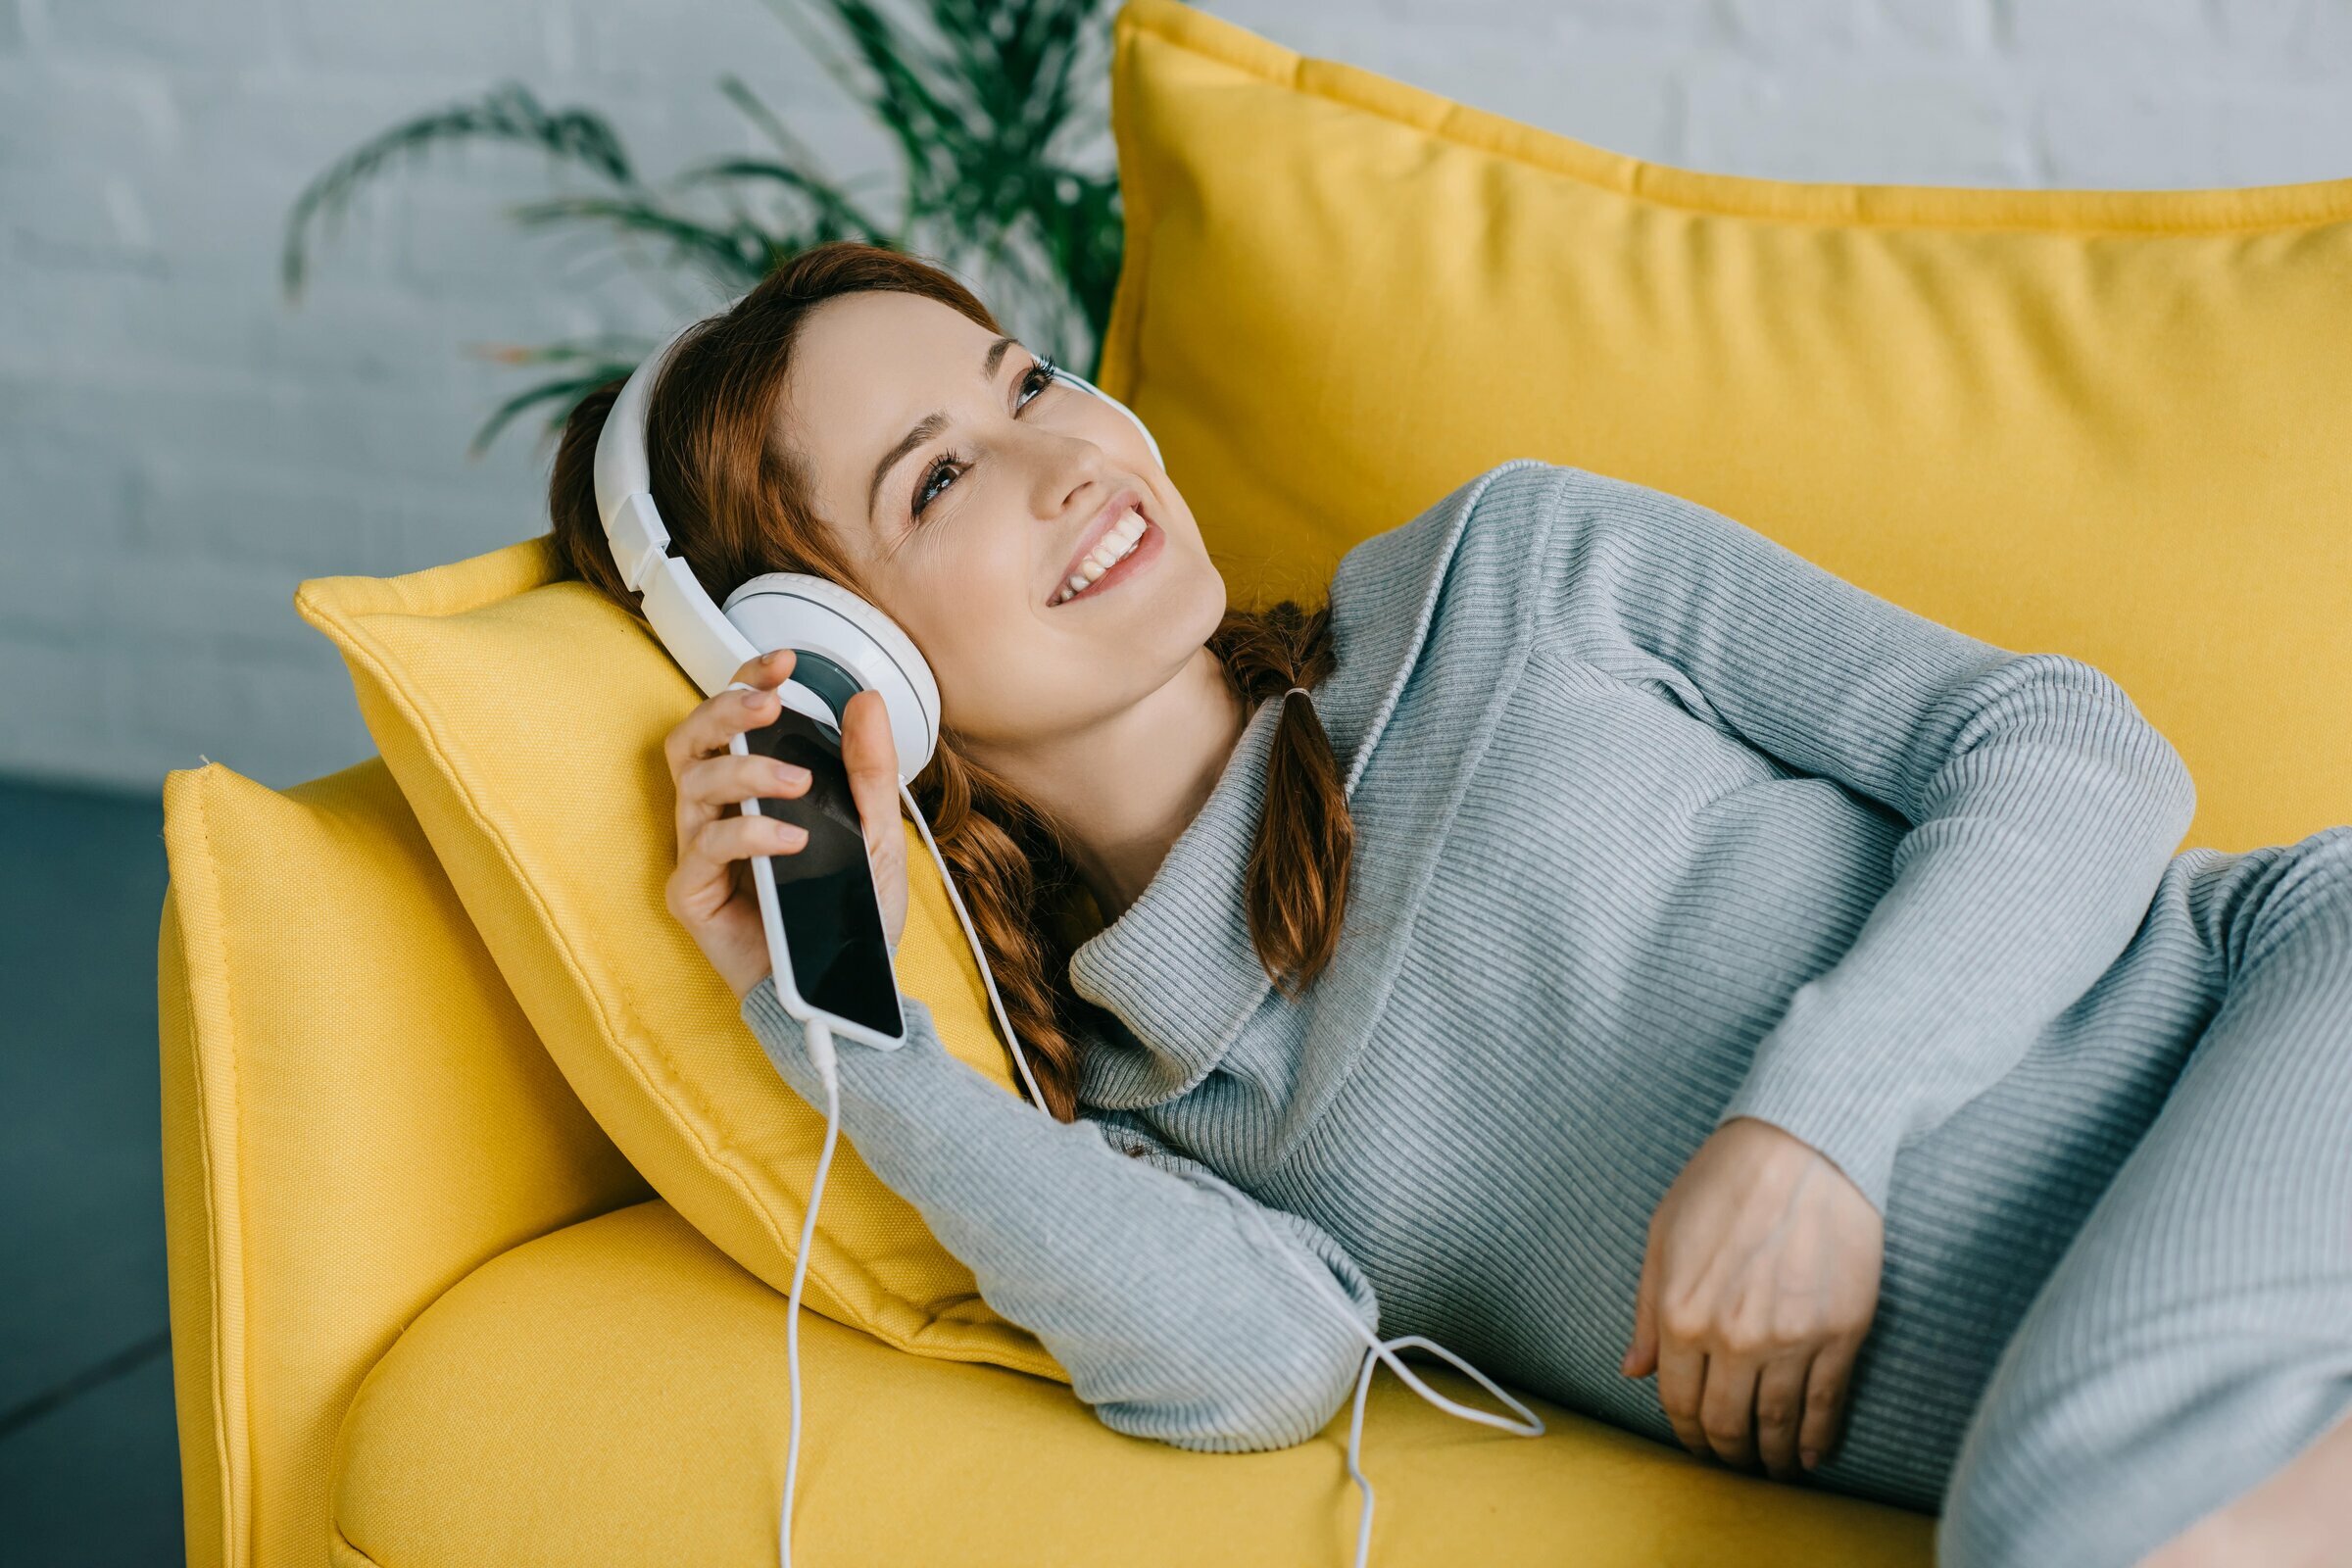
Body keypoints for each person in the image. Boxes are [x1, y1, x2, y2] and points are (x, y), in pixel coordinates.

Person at [545, 240, 2352, 1567]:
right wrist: (855, 1040)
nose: (1069, 457)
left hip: (2285, 998)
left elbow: (2071, 751)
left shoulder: (1511, 575)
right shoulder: (1139, 1106)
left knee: (2080, 1529)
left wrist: (1818, 1125)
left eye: (1029, 384)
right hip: (2242, 1390)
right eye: (940, 478)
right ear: (835, 662)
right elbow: (1267, 1367)